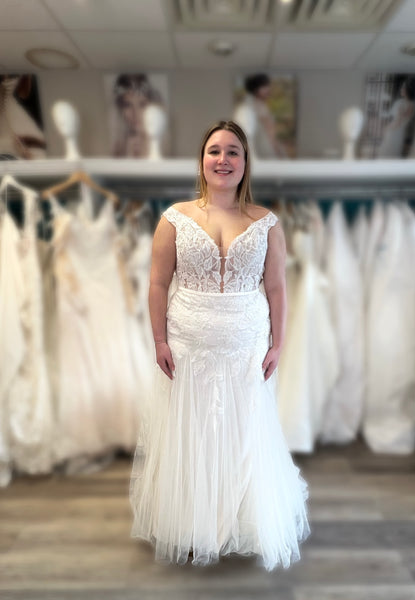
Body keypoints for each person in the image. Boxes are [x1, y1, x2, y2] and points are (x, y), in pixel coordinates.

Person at [129, 120, 309, 571]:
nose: (223, 160)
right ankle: (194, 527)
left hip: (246, 343)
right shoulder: (175, 218)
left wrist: (278, 344)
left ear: (245, 164)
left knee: (243, 432)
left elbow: (277, 289)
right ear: (202, 160)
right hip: (189, 342)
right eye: (215, 151)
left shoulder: (266, 223)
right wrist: (158, 339)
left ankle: (239, 519)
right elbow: (156, 283)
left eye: (233, 152)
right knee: (194, 433)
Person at [111, 74, 164, 158]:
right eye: (128, 105)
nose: (136, 113)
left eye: (142, 105)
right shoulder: (118, 149)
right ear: (120, 109)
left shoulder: (162, 148)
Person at [377, 76, 415, 158]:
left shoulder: (400, 103)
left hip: (393, 131)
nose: (401, 89)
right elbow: (404, 120)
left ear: (408, 90)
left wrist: (387, 128)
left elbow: (398, 122)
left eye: (403, 87)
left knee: (387, 152)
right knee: (395, 153)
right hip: (401, 133)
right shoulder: (413, 104)